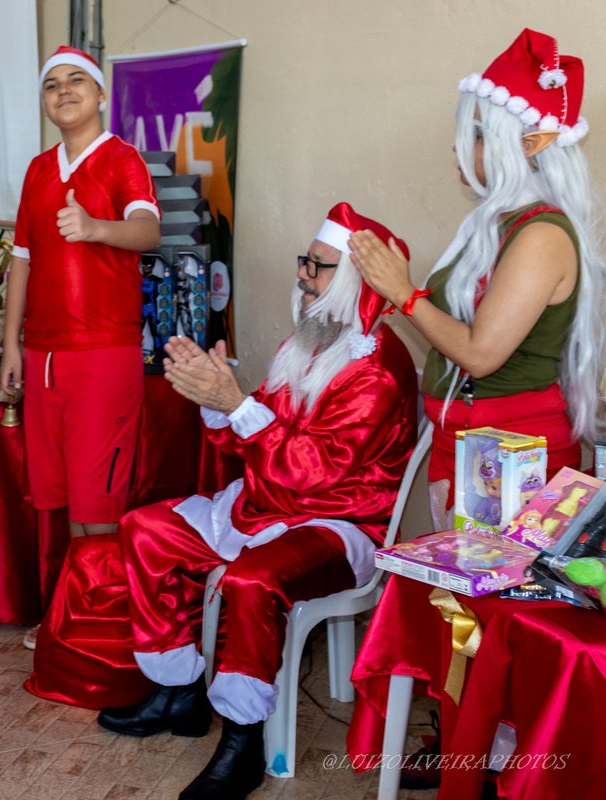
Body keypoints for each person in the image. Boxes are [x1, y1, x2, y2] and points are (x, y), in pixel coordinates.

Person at [95, 204, 418, 800]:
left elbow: (313, 475)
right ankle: (179, 689)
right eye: (305, 263)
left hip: (340, 524)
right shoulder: (306, 345)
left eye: (318, 268)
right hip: (270, 502)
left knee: (251, 581)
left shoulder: (378, 371)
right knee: (145, 529)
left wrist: (236, 403)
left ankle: (243, 739)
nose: (303, 276)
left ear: (354, 279)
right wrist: (215, 397)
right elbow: (252, 444)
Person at [350, 29, 605, 532]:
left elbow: (481, 353)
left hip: (513, 450)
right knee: (460, 602)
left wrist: (403, 293)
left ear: (528, 145)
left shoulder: (542, 235)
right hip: (467, 443)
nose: (459, 147)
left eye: (480, 134)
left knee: (486, 603)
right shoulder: (493, 226)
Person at [0, 46, 161, 649]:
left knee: (103, 497)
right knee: (69, 494)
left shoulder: (122, 160)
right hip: (41, 355)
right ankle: (77, 612)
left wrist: (95, 228)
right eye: (51, 86)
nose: (63, 92)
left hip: (102, 352)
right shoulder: (39, 170)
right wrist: (10, 345)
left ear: (98, 95)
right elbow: (21, 261)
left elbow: (148, 229)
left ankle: (112, 620)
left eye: (75, 82)